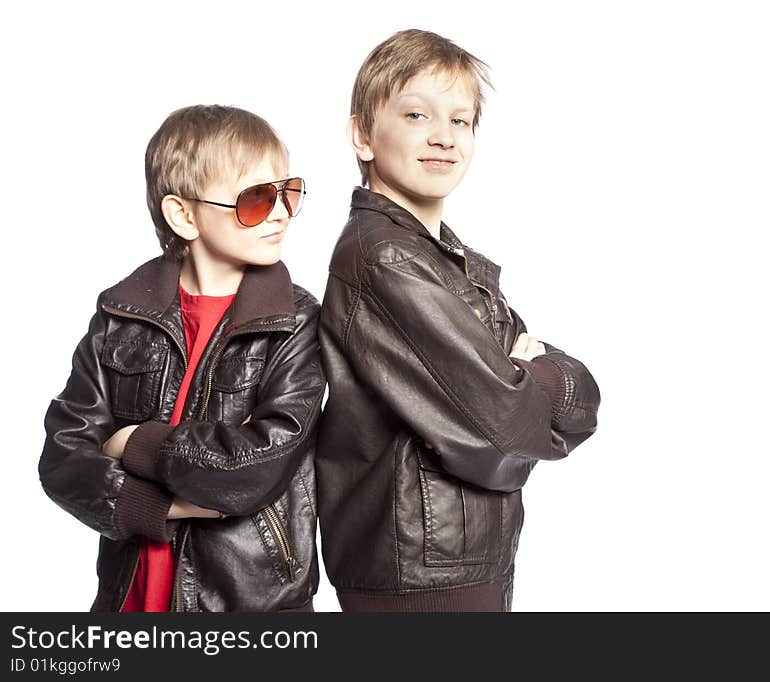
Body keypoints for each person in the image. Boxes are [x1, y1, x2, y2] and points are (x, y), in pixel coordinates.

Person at [317, 29, 601, 611]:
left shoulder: (440, 257)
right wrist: (526, 378)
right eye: (418, 114)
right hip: (422, 573)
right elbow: (506, 432)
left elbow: (568, 408)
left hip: (458, 558)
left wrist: (526, 379)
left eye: (462, 121)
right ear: (362, 135)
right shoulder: (385, 257)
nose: (444, 137)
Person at [39, 105, 325, 611]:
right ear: (184, 215)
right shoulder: (121, 314)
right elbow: (62, 457)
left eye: (289, 191)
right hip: (125, 597)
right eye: (256, 199)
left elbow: (257, 467)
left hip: (253, 605)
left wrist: (133, 442)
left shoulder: (295, 320)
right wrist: (158, 504)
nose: (281, 211)